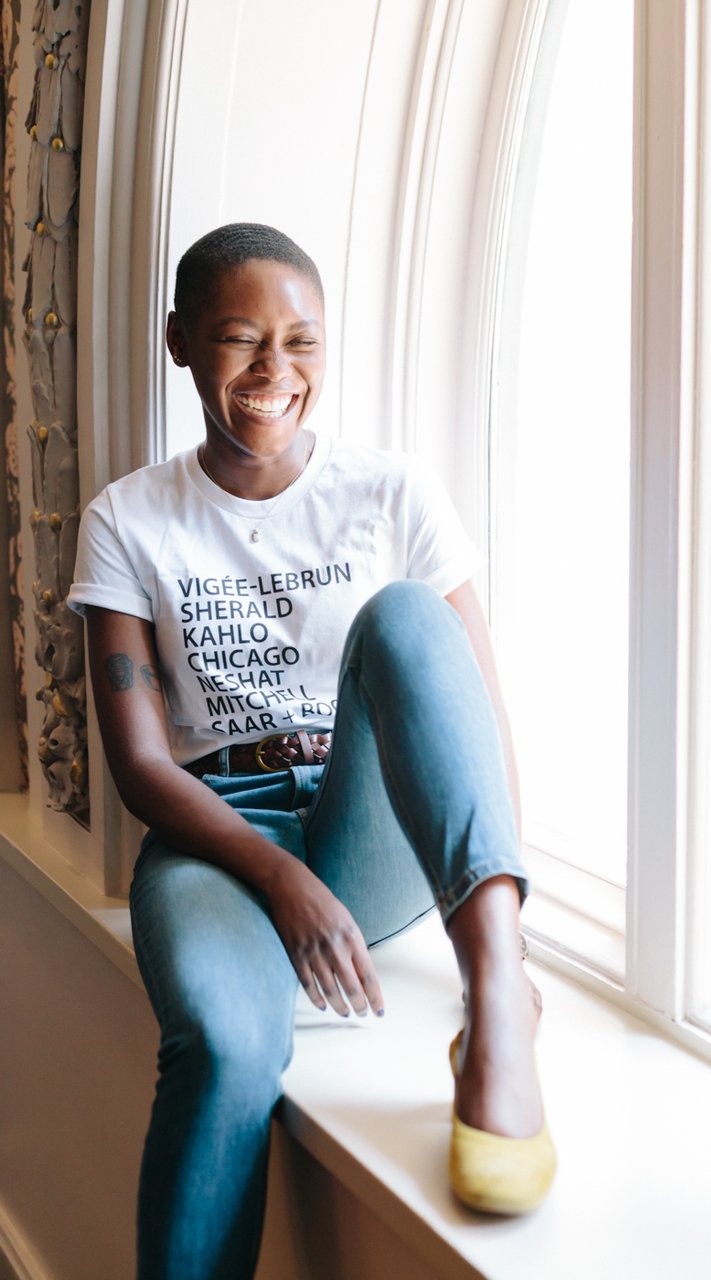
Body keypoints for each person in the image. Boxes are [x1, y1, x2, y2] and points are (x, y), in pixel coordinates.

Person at [69, 223, 555, 1279]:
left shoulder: (392, 491)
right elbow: (143, 766)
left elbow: (468, 706)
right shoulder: (128, 518)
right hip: (216, 837)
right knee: (225, 1047)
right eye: (240, 338)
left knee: (409, 619)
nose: (273, 371)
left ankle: (502, 997)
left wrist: (496, 909)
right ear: (180, 341)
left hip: (362, 809)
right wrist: (280, 876)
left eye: (302, 342)